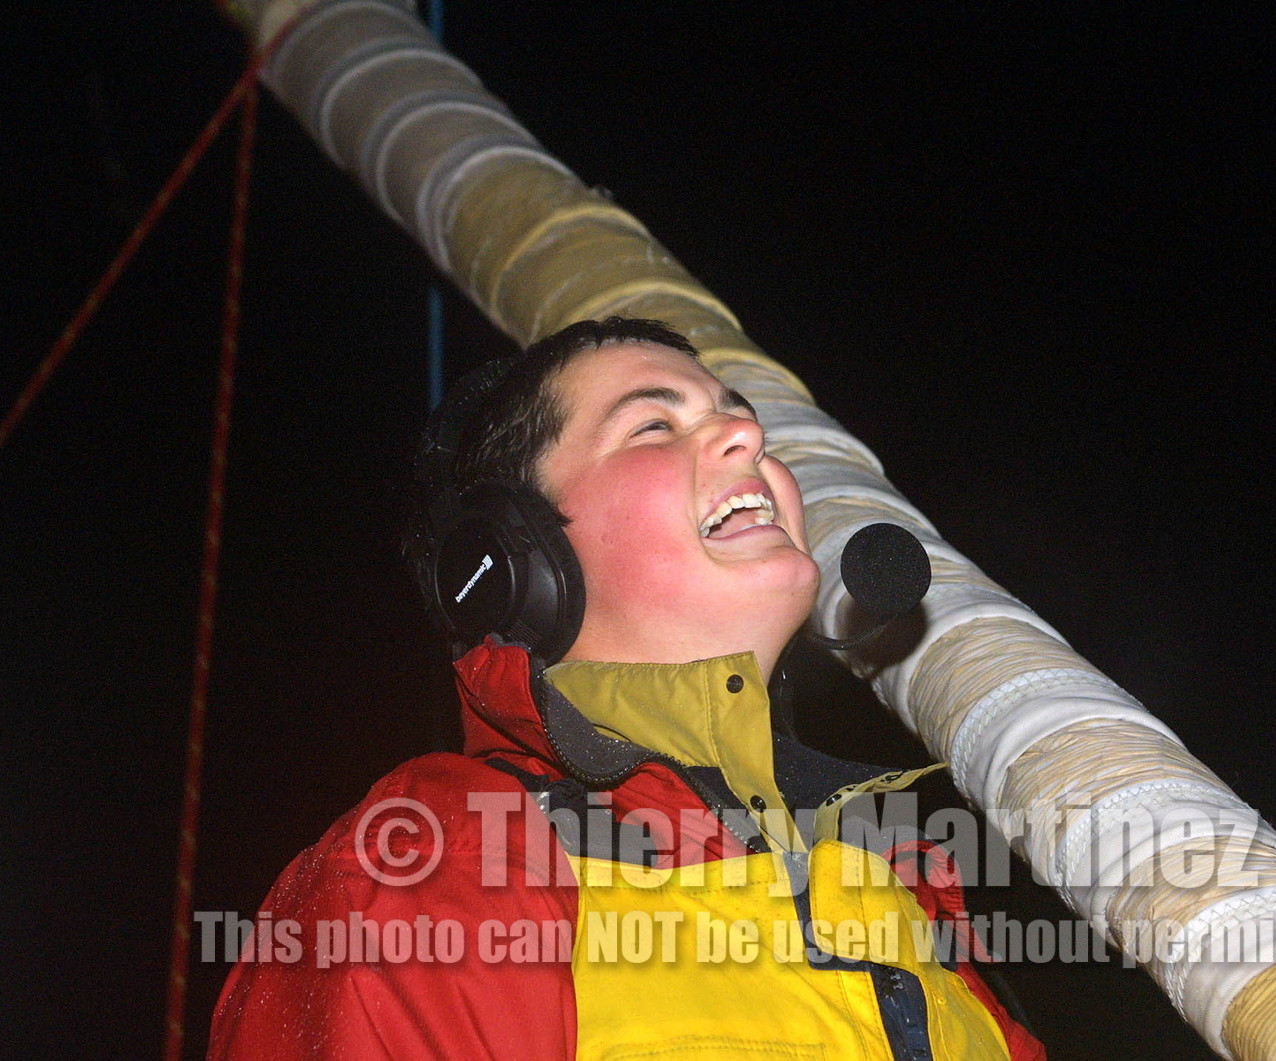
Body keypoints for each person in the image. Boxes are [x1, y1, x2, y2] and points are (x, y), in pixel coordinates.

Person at [207, 317, 1045, 1060]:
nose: (747, 435)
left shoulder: (904, 895)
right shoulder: (435, 862)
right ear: (519, 565)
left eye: (738, 415)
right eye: (654, 424)